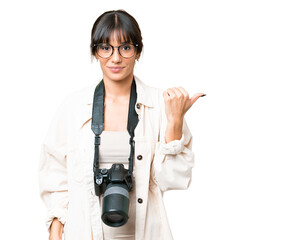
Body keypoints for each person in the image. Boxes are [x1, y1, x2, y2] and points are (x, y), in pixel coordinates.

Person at [38, 9, 204, 240]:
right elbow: (55, 178)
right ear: (95, 52)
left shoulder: (161, 104)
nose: (115, 58)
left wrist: (175, 122)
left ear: (138, 51)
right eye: (106, 48)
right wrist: (55, 233)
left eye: (125, 47)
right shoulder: (73, 107)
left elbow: (173, 180)